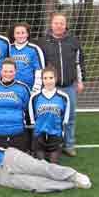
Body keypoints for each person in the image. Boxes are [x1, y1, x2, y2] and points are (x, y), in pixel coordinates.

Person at [0, 120, 91, 193]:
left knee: (40, 167)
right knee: (34, 185)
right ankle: (70, 184)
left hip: (6, 157)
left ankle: (73, 175)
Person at [38, 12, 85, 157]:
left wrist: (80, 81)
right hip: (51, 87)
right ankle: (50, 145)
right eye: (56, 23)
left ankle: (69, 144)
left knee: (70, 116)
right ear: (51, 24)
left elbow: (79, 63)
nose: (59, 25)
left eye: (62, 23)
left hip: (69, 86)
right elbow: (40, 65)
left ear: (65, 25)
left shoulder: (74, 41)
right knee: (51, 116)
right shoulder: (43, 42)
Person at [0, 58, 31, 152]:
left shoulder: (23, 88)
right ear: (0, 71)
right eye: (5, 71)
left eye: (11, 71)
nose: (8, 74)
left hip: (17, 135)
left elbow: (28, 111)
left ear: (16, 71)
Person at [29, 66, 69, 163]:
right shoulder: (35, 97)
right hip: (39, 135)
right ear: (42, 80)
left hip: (55, 135)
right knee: (41, 164)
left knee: (53, 164)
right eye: (45, 78)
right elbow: (33, 118)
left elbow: (64, 119)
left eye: (51, 78)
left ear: (56, 79)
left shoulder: (63, 97)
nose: (48, 81)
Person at [9, 22, 45, 93]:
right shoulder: (9, 48)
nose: (20, 35)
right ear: (13, 35)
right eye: (17, 33)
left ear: (27, 34)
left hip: (29, 89)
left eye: (23, 33)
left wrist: (35, 90)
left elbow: (39, 71)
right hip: (11, 88)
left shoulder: (34, 49)